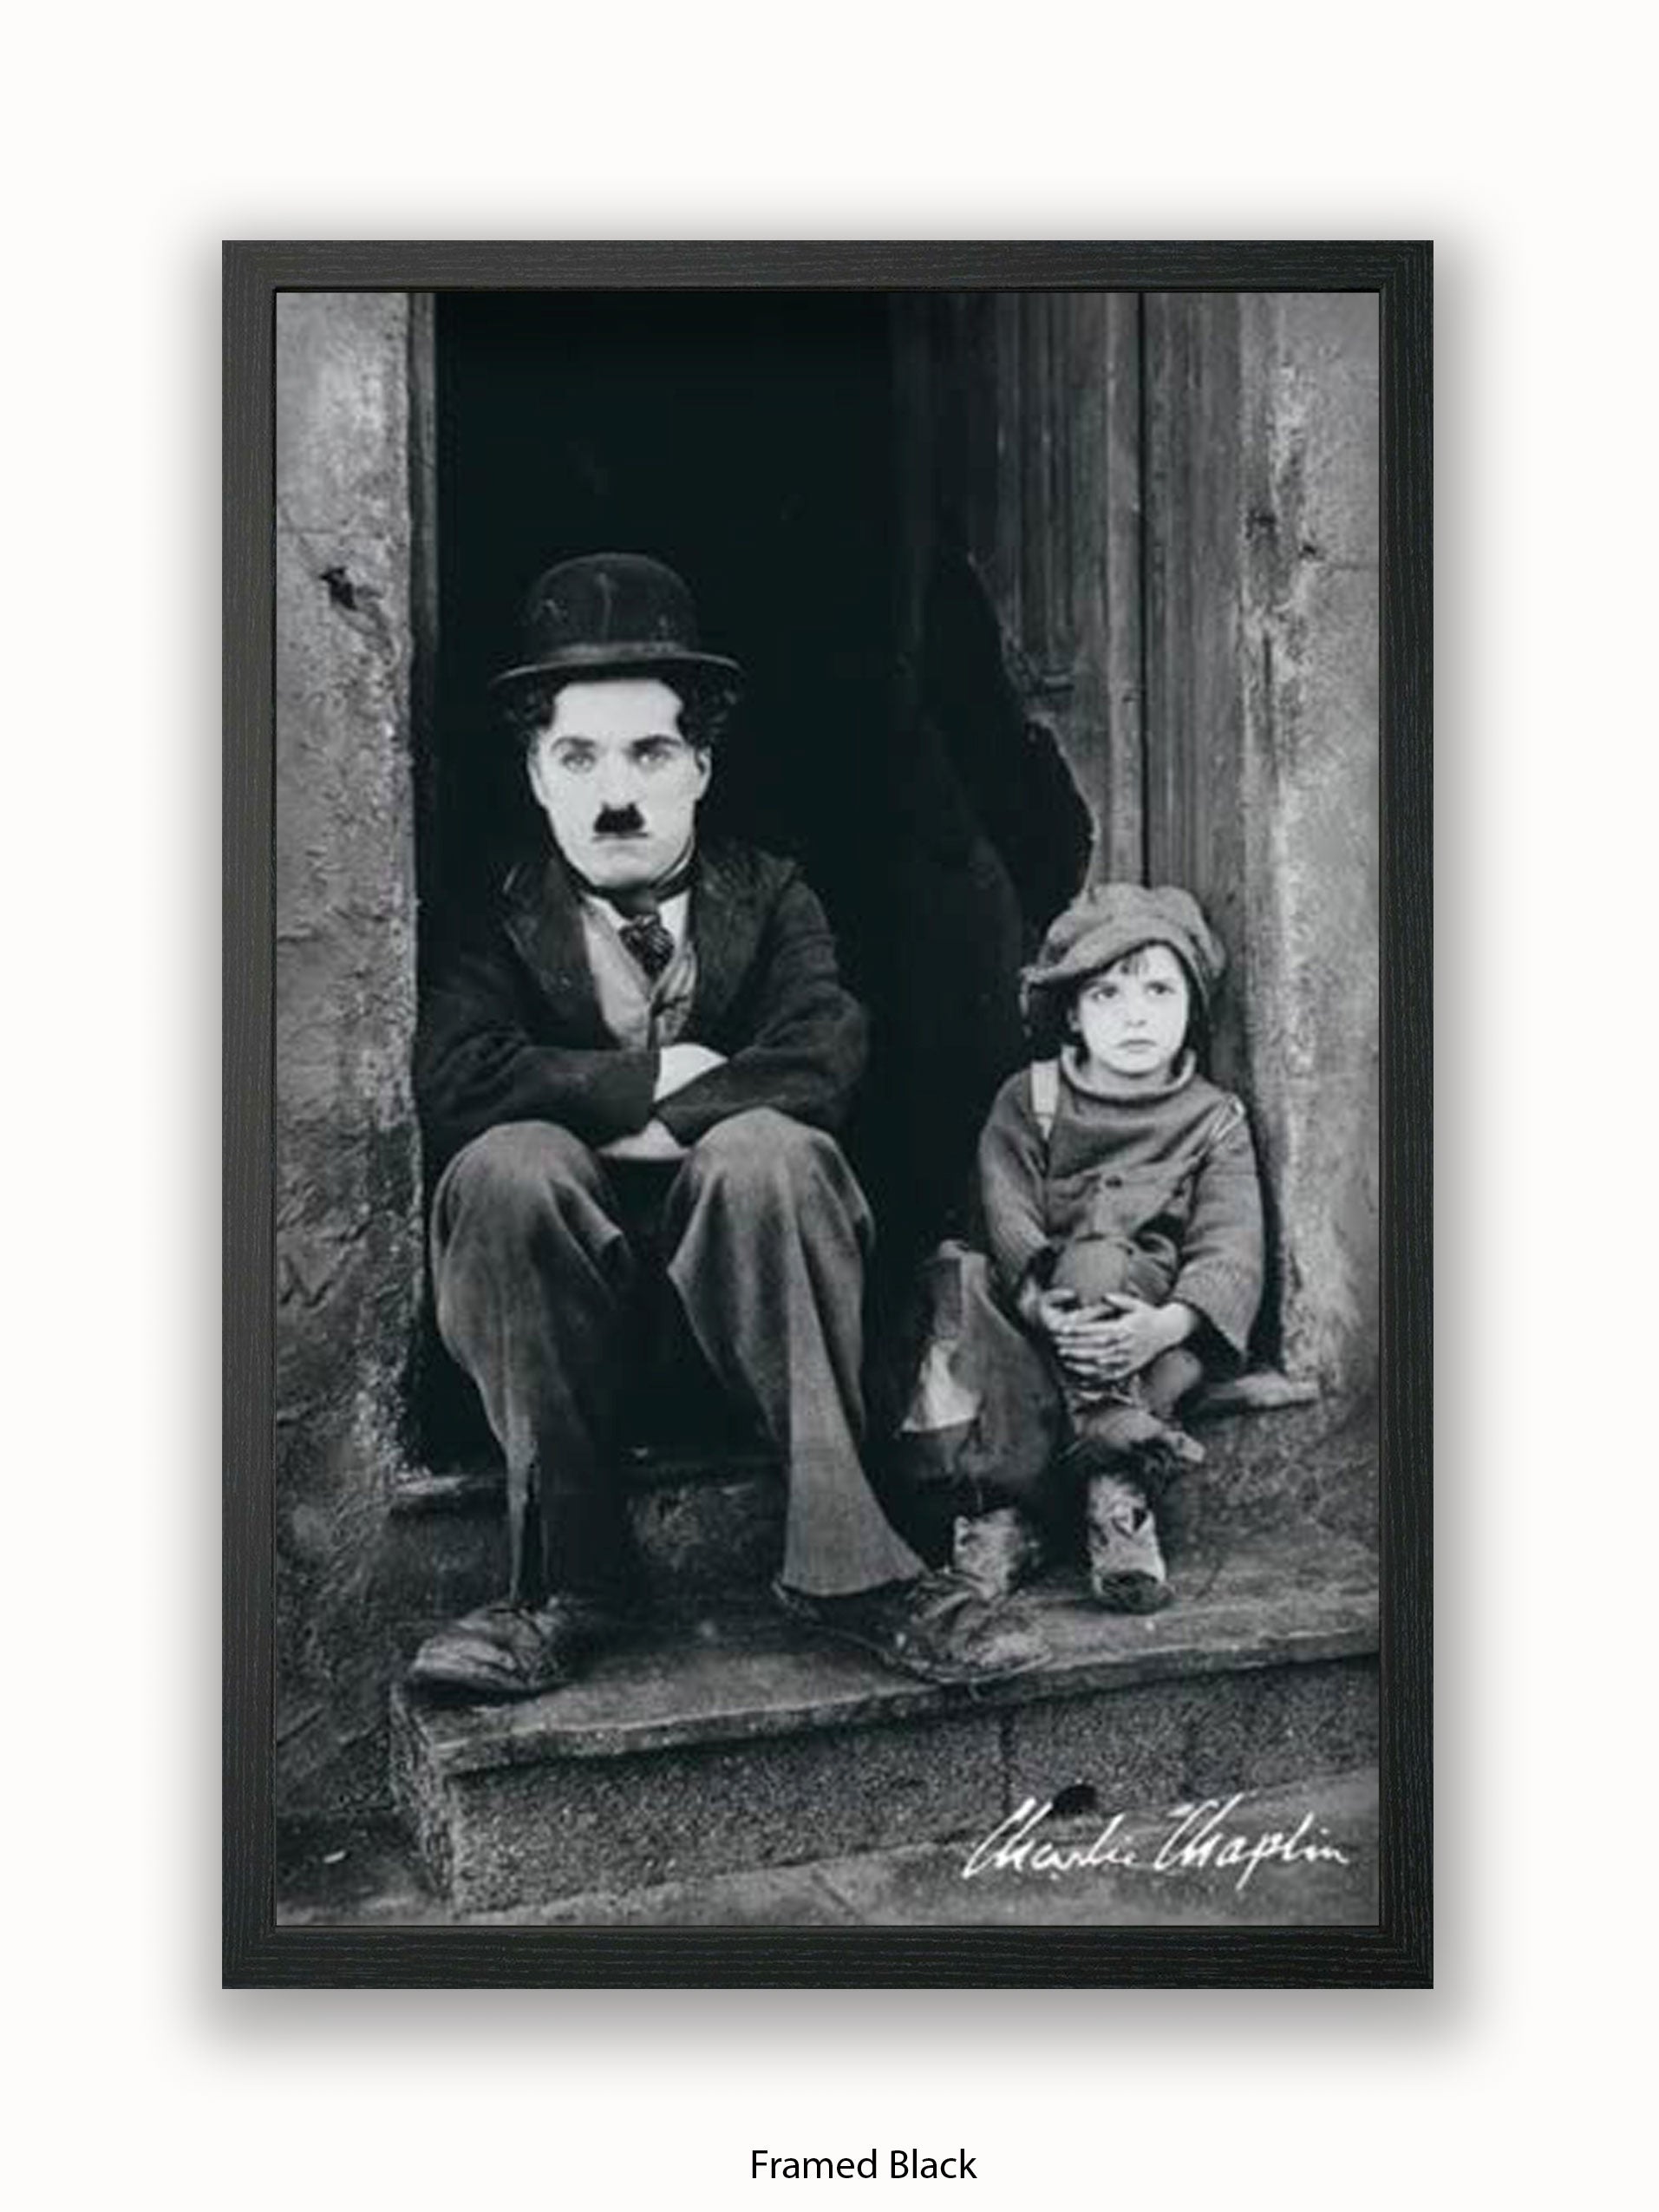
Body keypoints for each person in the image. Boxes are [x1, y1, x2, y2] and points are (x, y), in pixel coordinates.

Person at [408, 552, 1045, 1699]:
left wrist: (673, 1120)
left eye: (650, 752)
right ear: (536, 773)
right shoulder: (490, 911)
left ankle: (850, 1569)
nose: (615, 792)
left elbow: (821, 1061)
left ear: (701, 765)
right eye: (578, 756)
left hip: (769, 1332)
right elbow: (458, 1082)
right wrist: (661, 1082)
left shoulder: (773, 891)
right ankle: (564, 1584)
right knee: (508, 1166)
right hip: (562, 1345)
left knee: (767, 1152)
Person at [973, 882, 1266, 1611]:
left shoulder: (1213, 1119)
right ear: (1072, 1014)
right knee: (964, 1286)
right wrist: (1038, 1307)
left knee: (1109, 1267)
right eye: (1105, 995)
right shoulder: (1031, 1099)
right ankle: (1106, 1471)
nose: (1135, 1015)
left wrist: (1164, 1326)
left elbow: (1229, 1246)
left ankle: (1099, 1500)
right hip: (1041, 1322)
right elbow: (1005, 1210)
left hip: (1150, 1331)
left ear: (1192, 1006)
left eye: (1159, 991)